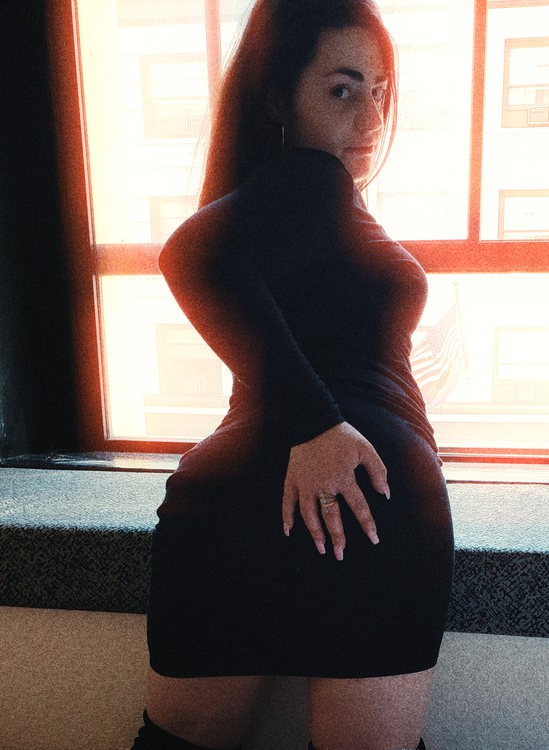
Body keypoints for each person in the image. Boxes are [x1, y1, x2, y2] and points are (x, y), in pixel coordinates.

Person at [130, 1, 455, 749]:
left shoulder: (282, 204)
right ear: (278, 99)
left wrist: (313, 424)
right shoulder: (312, 181)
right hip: (369, 507)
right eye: (341, 89)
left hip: (235, 499)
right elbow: (189, 256)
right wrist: (318, 427)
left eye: (379, 90)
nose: (369, 117)